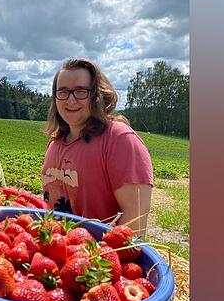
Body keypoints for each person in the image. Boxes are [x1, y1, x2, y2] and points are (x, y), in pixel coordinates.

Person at [41, 58, 154, 236]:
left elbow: (134, 227)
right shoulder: (56, 141)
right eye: (63, 92)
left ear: (97, 95)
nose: (70, 100)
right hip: (54, 252)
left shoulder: (120, 140)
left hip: (95, 260)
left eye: (80, 91)